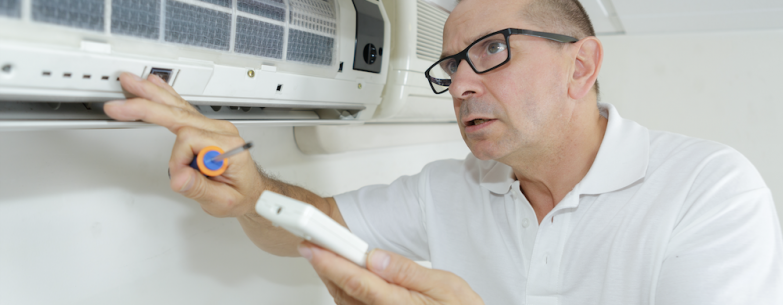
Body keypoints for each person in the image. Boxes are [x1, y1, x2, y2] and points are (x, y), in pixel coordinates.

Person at [103, 0, 783, 303]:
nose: (458, 83)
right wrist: (253, 191)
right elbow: (313, 224)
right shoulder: (452, 186)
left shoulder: (707, 190)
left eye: (490, 51)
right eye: (451, 63)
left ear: (581, 67)